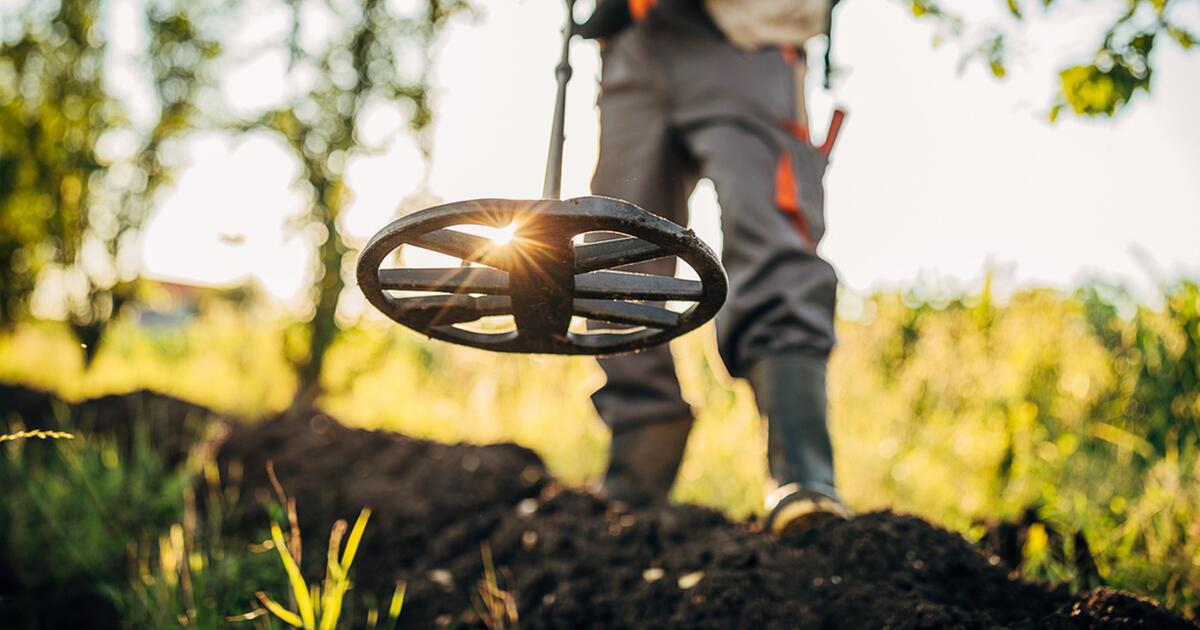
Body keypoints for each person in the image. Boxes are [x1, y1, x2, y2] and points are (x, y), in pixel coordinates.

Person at [577, 0, 849, 535]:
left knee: (770, 233)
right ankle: (635, 469)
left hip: (748, 30)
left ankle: (803, 478)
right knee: (614, 247)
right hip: (635, 42)